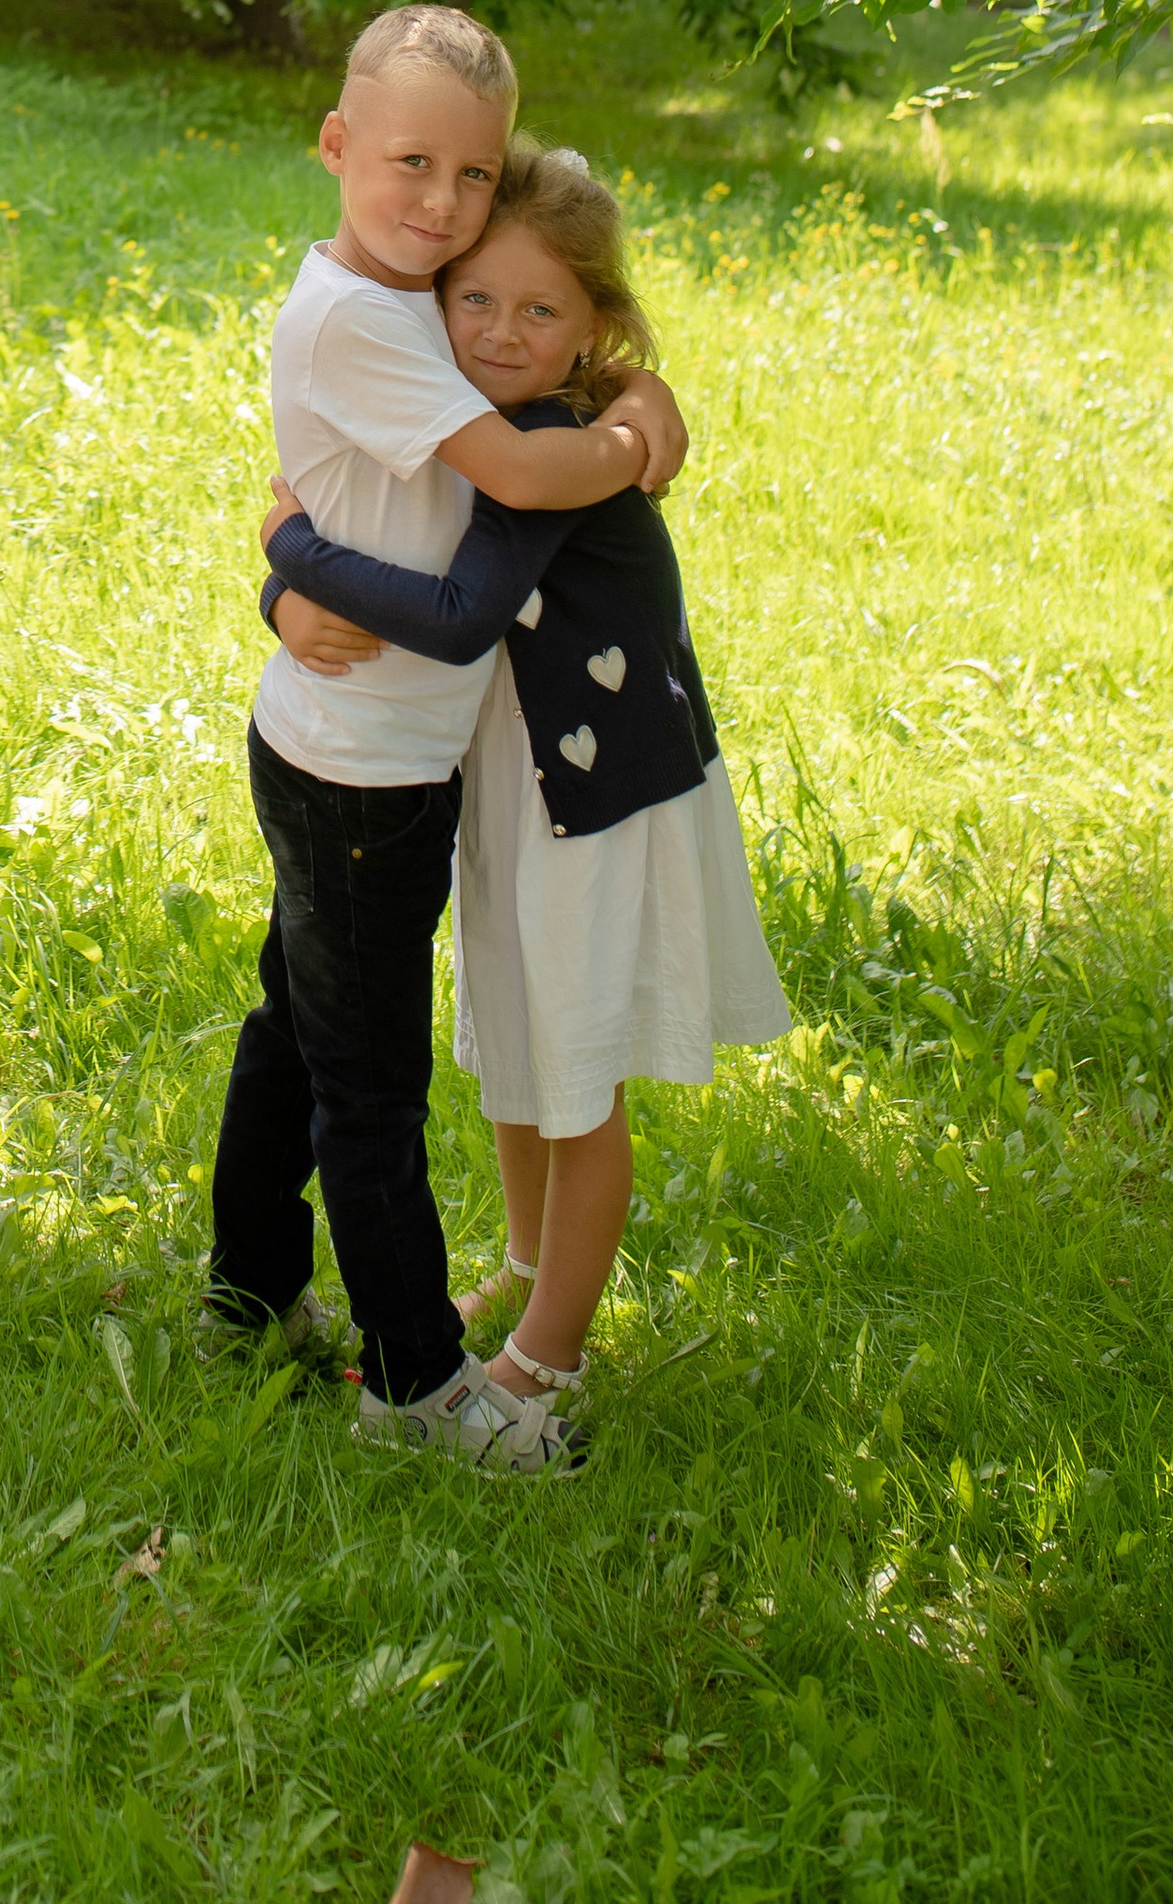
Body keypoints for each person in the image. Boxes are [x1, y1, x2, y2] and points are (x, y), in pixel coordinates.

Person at [198, 4, 691, 1475]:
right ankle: (416, 1383)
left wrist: (640, 381)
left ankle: (248, 1287)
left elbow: (530, 344)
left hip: (348, 740)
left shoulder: (413, 291)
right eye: (410, 161)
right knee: (369, 1088)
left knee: (297, 1022)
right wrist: (625, 440)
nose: (441, 202)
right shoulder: (364, 315)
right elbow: (515, 479)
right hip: (365, 765)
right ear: (338, 145)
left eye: (472, 176)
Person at [256, 140, 790, 1435]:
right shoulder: (465, 403)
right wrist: (284, 592)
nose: (496, 331)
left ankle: (550, 1352)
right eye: (473, 299)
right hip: (507, 775)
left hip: (597, 793)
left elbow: (457, 610)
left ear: (592, 327)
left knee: (576, 1067)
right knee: (510, 1030)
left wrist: (291, 549)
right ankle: (526, 1261)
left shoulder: (560, 440)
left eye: (539, 309)